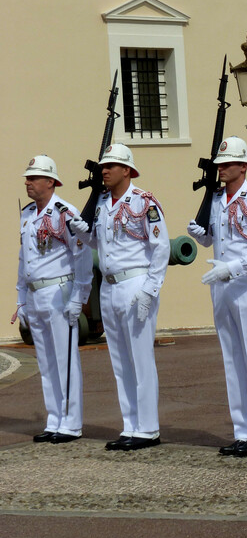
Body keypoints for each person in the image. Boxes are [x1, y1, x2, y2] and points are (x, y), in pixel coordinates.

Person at [69, 144, 169, 451]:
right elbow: (99, 243)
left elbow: (161, 248)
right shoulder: (101, 204)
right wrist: (81, 232)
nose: (105, 170)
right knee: (120, 361)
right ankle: (131, 425)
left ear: (127, 170)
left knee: (140, 359)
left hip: (135, 284)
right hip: (110, 287)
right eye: (103, 166)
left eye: (111, 165)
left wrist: (150, 291)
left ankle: (148, 428)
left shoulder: (144, 202)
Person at [186, 136, 247, 458]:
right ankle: (242, 430)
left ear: (244, 166)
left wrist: (235, 267)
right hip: (221, 287)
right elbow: (218, 241)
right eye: (219, 164)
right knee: (232, 361)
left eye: (227, 164)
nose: (221, 169)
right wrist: (202, 237)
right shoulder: (215, 200)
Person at [13, 156, 93, 444]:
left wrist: (79, 297)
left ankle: (71, 423)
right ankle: (54, 419)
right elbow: (25, 259)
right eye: (27, 177)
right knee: (46, 362)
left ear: (50, 181)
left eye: (33, 178)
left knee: (65, 359)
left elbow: (81, 256)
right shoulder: (26, 215)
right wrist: (21, 297)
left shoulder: (65, 213)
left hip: (59, 292)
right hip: (35, 294)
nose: (28, 182)